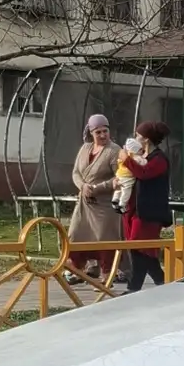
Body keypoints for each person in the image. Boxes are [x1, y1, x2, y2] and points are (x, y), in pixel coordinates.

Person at [119, 119, 172, 291]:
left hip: (150, 212)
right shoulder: (145, 157)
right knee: (141, 250)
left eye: (138, 135)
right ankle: (160, 282)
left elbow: (144, 173)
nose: (135, 138)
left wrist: (127, 160)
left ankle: (134, 288)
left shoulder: (159, 160)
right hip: (138, 210)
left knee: (139, 249)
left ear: (147, 139)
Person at [66, 114, 120, 282]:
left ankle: (107, 276)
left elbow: (120, 178)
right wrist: (82, 186)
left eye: (105, 131)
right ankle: (77, 270)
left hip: (103, 205)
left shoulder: (114, 151)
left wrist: (97, 188)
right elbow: (75, 172)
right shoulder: (85, 149)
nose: (103, 135)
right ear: (91, 133)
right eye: (98, 132)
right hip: (84, 203)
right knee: (76, 234)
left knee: (104, 239)